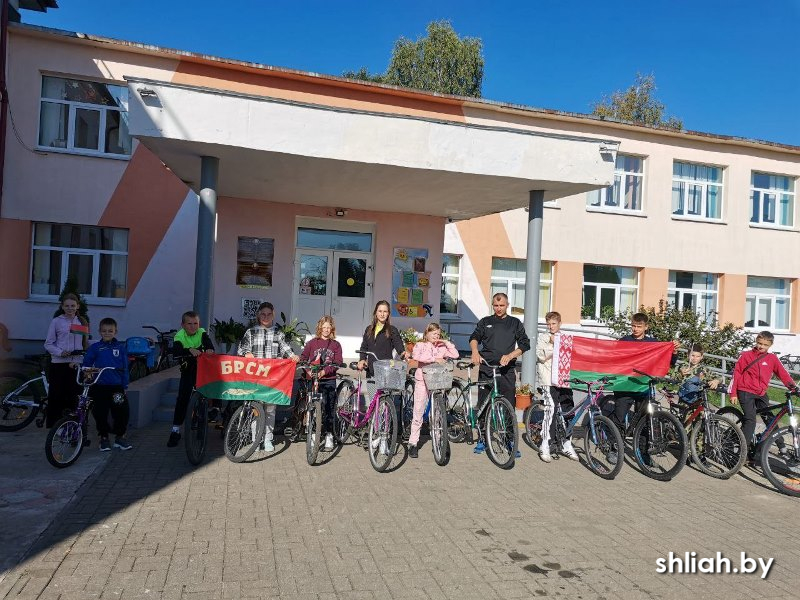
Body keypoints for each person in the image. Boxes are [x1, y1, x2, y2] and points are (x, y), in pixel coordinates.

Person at [469, 292, 530, 456]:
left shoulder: (515, 323)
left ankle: (510, 440)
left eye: (501, 305)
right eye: (496, 306)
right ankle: (482, 439)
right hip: (487, 368)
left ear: (507, 305)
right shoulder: (485, 322)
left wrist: (510, 355)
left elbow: (525, 344)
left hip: (506, 370)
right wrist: (475, 351)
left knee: (508, 405)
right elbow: (474, 337)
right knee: (484, 405)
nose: (498, 308)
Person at [237, 302, 298, 452]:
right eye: (263, 314)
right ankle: (255, 439)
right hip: (255, 377)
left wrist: (293, 356)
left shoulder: (278, 333)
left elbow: (285, 348)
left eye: (268, 314)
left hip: (273, 378)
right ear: (258, 315)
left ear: (273, 315)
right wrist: (247, 353)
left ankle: (268, 438)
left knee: (270, 409)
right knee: (255, 409)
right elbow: (242, 348)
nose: (265, 317)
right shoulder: (250, 332)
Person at [729, 331, 797, 456]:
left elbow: (783, 374)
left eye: (765, 345)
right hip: (745, 391)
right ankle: (742, 452)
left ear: (770, 345)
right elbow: (737, 373)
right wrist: (733, 393)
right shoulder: (746, 355)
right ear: (756, 341)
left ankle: (781, 446)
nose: (761, 347)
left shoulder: (772, 358)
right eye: (759, 343)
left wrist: (794, 388)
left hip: (760, 393)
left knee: (770, 419)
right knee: (751, 420)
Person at [409, 323, 458, 458]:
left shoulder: (442, 346)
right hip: (422, 380)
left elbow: (455, 354)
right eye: (433, 333)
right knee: (418, 411)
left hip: (438, 381)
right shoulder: (420, 345)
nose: (436, 336)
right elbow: (416, 356)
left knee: (437, 413)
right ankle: (413, 443)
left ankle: (439, 441)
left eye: (438, 334)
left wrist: (446, 342)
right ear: (426, 334)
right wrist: (434, 359)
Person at [535, 311, 579, 463]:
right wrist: (553, 344)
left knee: (569, 409)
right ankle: (545, 444)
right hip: (548, 379)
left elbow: (574, 355)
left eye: (553, 323)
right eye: (548, 324)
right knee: (551, 408)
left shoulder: (565, 338)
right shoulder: (543, 337)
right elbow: (540, 355)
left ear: (560, 323)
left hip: (564, 379)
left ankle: (567, 443)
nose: (551, 326)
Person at [167, 311, 215, 447]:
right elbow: (176, 352)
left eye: (196, 324)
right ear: (183, 325)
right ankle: (175, 430)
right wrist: (189, 350)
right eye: (189, 324)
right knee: (182, 397)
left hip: (203, 369)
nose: (193, 327)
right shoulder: (179, 336)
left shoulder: (202, 332)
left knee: (216, 383)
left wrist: (210, 349)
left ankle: (214, 409)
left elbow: (209, 344)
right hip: (189, 370)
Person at [83, 318, 132, 451]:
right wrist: (88, 373)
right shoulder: (96, 348)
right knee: (100, 412)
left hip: (116, 387)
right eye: (104, 331)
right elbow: (86, 363)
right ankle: (103, 438)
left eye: (110, 331)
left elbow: (125, 368)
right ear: (100, 332)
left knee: (122, 411)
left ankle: (119, 437)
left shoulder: (120, 348)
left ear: (115, 332)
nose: (107, 333)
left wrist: (124, 386)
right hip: (99, 386)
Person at [43, 293, 89, 428]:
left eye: (73, 306)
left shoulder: (82, 321)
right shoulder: (56, 321)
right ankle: (56, 427)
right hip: (59, 364)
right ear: (62, 307)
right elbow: (48, 344)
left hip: (77, 364)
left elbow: (85, 343)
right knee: (57, 396)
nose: (70, 308)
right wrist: (60, 352)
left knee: (75, 397)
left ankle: (75, 427)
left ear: (78, 306)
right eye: (67, 306)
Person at [299, 316, 343, 452]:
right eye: (324, 327)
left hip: (328, 379)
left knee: (329, 407)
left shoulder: (336, 345)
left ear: (332, 329)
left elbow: (338, 362)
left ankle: (329, 434)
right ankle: (312, 433)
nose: (326, 330)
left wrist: (324, 372)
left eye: (328, 327)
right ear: (320, 328)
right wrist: (307, 369)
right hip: (313, 380)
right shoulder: (312, 343)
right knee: (313, 406)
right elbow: (304, 358)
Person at [357, 300, 406, 375]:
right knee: (371, 387)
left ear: (388, 313)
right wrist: (362, 360)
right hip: (371, 369)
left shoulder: (392, 330)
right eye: (380, 311)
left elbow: (398, 345)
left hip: (386, 370)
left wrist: (403, 353)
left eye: (385, 311)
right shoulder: (369, 329)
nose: (382, 314)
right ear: (375, 313)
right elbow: (364, 347)